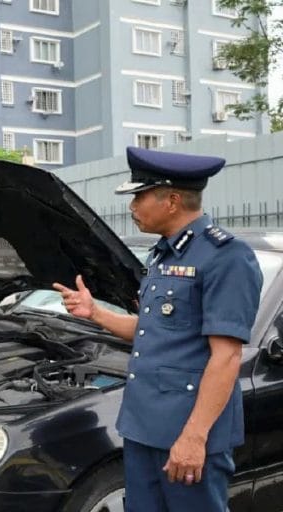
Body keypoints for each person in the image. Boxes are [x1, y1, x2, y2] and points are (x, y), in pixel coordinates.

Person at [53, 146, 262, 511]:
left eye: (140, 196)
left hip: (187, 432)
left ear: (172, 201)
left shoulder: (226, 257)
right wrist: (95, 314)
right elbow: (154, 331)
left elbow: (226, 357)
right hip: (143, 427)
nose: (132, 207)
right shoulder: (163, 254)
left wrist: (194, 438)